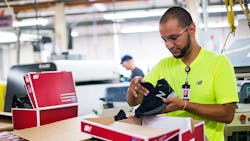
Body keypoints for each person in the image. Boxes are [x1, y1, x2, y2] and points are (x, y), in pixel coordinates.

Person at [126, 7, 238, 141]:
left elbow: (227, 115)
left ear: (191, 29)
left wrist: (185, 106)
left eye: (174, 38)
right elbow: (134, 102)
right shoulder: (163, 66)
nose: (169, 45)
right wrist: (134, 89)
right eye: (164, 40)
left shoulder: (219, 63)